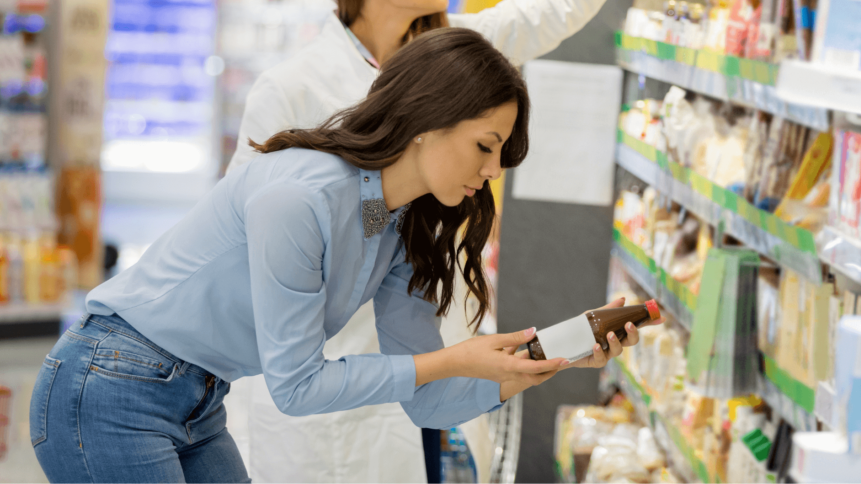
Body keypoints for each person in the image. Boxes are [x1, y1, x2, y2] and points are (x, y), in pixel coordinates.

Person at [29, 29, 658, 484]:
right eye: (486, 147)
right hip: (110, 386)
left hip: (196, 399)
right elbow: (298, 387)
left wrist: (526, 368)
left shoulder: (398, 225)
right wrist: (447, 360)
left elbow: (425, 399)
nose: (492, 172)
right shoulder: (300, 196)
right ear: (427, 120)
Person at [224, 0, 660, 480]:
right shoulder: (293, 87)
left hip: (435, 355)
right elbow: (251, 232)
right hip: (332, 377)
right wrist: (387, 210)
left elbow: (552, 6)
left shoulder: (454, 55)